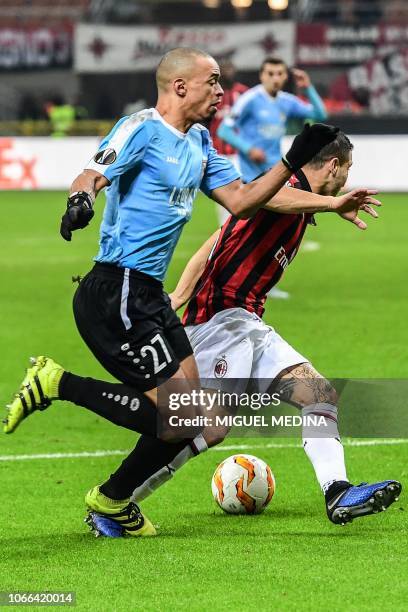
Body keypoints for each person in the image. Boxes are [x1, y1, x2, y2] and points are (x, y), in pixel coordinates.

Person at [4, 47, 357, 538]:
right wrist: (81, 200)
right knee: (184, 417)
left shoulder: (200, 143)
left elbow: (242, 201)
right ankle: (58, 385)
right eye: (212, 81)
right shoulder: (143, 129)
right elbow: (92, 173)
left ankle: (111, 499)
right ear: (179, 87)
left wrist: (290, 161)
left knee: (200, 421)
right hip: (117, 289)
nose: (220, 90)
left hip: (148, 295)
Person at [167, 131, 401, 525]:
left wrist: (178, 294)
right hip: (220, 321)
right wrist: (331, 203)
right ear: (333, 166)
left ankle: (337, 492)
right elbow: (268, 196)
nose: (346, 179)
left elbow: (212, 242)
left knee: (320, 394)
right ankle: (119, 496)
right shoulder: (284, 187)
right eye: (347, 170)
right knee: (209, 427)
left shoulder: (298, 205)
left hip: (246, 324)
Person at [217, 57, 327, 300]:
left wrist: (307, 87)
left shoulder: (286, 102)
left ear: (285, 77)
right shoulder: (250, 99)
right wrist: (248, 148)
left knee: (270, 236)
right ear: (262, 75)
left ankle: (262, 284)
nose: (275, 78)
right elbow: (224, 130)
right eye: (270, 73)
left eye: (280, 73)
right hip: (248, 179)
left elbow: (320, 114)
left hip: (275, 179)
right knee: (235, 237)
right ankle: (222, 283)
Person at [208, 58, 248, 226]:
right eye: (224, 69)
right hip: (218, 154)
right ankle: (225, 230)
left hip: (241, 155)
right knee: (223, 198)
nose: (228, 72)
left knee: (245, 195)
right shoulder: (211, 94)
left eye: (230, 68)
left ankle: (245, 229)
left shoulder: (245, 93)